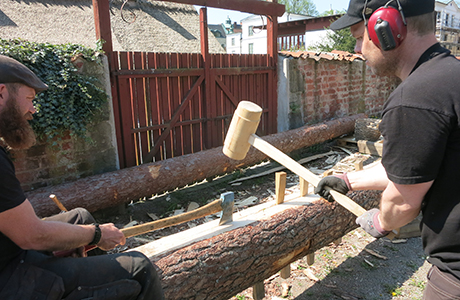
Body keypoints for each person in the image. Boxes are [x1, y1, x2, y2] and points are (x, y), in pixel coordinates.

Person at [314, 0, 460, 299]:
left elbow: (403, 200)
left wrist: (379, 221)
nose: (357, 49)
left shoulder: (416, 97)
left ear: (387, 27)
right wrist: (348, 181)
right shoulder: (451, 76)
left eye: (358, 36)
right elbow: (412, 168)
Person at [0, 54, 165, 300]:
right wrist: (96, 234)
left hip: (9, 250)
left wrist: (87, 231)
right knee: (140, 268)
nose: (32, 110)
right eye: (29, 99)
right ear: (1, 93)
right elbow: (31, 235)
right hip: (9, 277)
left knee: (80, 217)